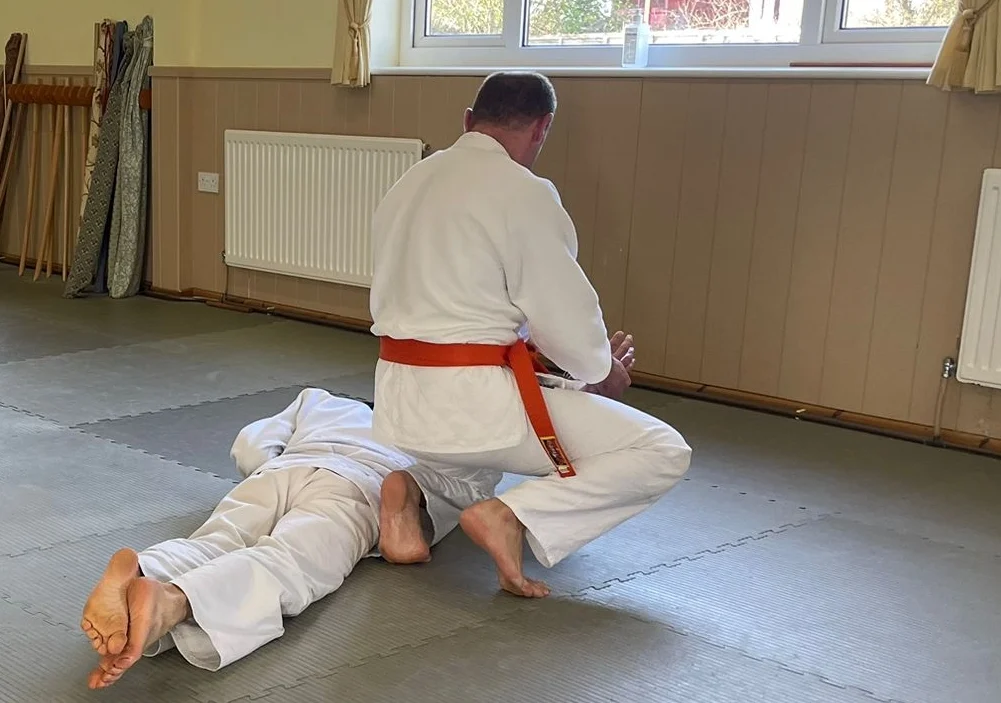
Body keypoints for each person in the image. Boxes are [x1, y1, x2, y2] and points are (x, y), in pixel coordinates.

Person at [368, 71, 693, 599]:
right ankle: (512, 516)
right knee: (660, 450)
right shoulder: (524, 191)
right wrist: (599, 371)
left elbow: (458, 308)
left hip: (399, 404)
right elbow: (562, 310)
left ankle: (413, 493)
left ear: (468, 121)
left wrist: (561, 363)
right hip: (474, 405)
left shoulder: (409, 182)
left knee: (472, 472)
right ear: (543, 128)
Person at [79, 389, 496, 690]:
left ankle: (150, 568)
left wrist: (267, 466)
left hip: (284, 469)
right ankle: (175, 601)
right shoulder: (437, 431)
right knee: (289, 561)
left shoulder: (322, 401)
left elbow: (249, 443)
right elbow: (464, 489)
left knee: (219, 537)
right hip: (362, 485)